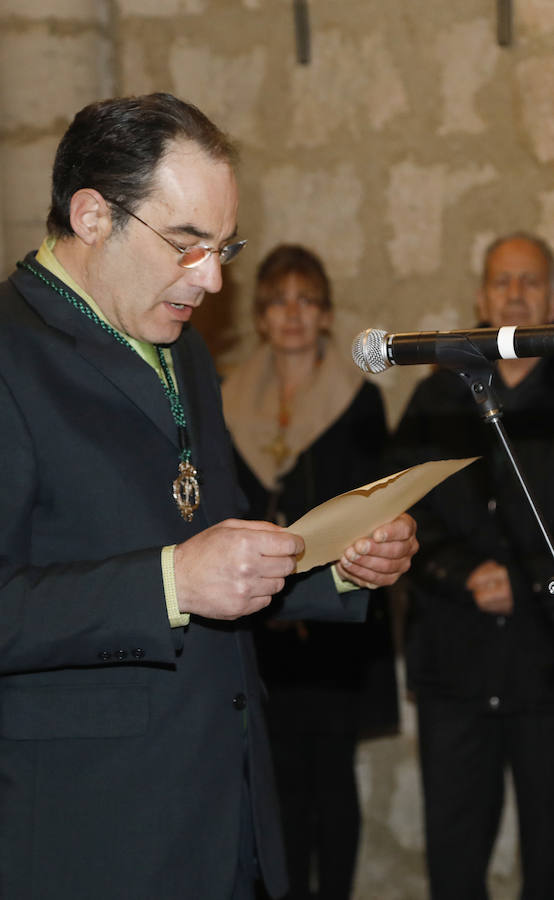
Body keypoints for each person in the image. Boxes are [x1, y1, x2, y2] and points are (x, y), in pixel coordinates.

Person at [0, 93, 418, 900]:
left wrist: (338, 565)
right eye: (185, 244)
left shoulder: (184, 352)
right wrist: (168, 582)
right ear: (93, 214)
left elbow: (218, 553)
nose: (209, 278)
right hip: (81, 835)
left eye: (223, 246)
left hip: (219, 815)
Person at [222, 244, 399, 899]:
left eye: (306, 299)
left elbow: (371, 505)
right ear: (261, 315)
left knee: (332, 777)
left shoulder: (360, 401)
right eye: (276, 300)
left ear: (325, 315)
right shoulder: (226, 395)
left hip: (334, 623)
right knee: (275, 781)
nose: (291, 313)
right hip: (258, 619)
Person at [391, 232, 554, 900]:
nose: (515, 294)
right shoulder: (435, 399)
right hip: (453, 667)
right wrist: (461, 574)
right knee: (455, 865)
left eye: (531, 281)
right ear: (481, 297)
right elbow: (398, 514)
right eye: (501, 281)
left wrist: (525, 581)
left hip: (547, 669)